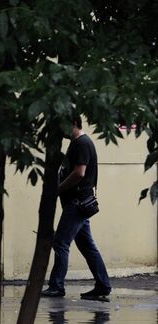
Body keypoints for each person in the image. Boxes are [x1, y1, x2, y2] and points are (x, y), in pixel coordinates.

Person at [41, 117, 112, 301]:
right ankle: (103, 285)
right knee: (87, 246)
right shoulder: (77, 143)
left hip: (77, 203)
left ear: (73, 123)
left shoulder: (82, 143)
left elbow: (79, 173)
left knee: (60, 243)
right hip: (78, 203)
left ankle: (56, 286)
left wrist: (58, 189)